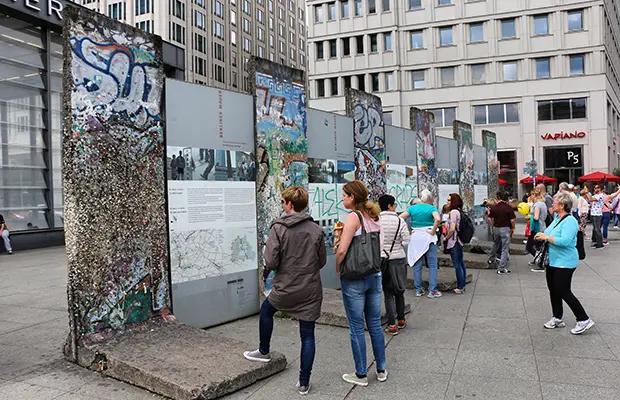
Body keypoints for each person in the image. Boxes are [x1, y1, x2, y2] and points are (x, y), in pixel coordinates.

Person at [243, 187, 326, 395]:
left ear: (289, 204)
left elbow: (271, 261)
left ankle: (263, 350)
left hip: (286, 286)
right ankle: (304, 383)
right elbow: (322, 261)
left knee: (267, 310)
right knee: (308, 334)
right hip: (310, 288)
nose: (283, 204)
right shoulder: (316, 230)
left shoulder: (278, 229)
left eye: (283, 201)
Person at [335, 180, 387, 387]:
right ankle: (381, 369)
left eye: (345, 195)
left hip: (355, 277)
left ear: (352, 198)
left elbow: (342, 250)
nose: (342, 198)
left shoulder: (353, 217)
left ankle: (361, 374)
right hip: (374, 275)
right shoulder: (373, 215)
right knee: (374, 323)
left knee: (356, 326)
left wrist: (338, 268)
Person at [534, 192, 595, 335]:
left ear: (561, 206)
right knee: (553, 290)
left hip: (565, 261)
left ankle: (583, 319)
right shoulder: (557, 218)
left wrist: (546, 237)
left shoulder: (570, 221)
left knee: (563, 290)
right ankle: (557, 317)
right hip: (553, 261)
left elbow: (565, 241)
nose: (552, 204)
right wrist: (541, 236)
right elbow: (549, 233)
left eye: (554, 202)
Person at [400, 189, 442, 298]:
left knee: (417, 264)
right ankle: (432, 290)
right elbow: (437, 219)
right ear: (429, 198)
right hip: (428, 237)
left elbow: (400, 218)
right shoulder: (432, 208)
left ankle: (418, 289)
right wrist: (433, 231)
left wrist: (408, 230)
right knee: (432, 265)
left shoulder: (413, 208)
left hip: (415, 236)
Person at [378, 195, 410, 336]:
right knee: (399, 290)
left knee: (388, 292)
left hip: (383, 260)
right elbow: (407, 240)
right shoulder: (399, 220)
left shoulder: (377, 220)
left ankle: (392, 324)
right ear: (390, 206)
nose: (395, 207)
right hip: (399, 260)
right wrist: (398, 245)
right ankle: (401, 319)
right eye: (394, 205)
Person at [582, 184, 620, 249]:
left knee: (597, 229)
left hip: (597, 214)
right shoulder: (596, 195)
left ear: (601, 189)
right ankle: (597, 242)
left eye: (597, 188)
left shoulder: (601, 196)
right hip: (593, 213)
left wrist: (586, 192)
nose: (595, 189)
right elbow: (590, 201)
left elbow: (591, 199)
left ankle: (600, 244)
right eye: (595, 187)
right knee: (595, 229)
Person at [488, 191, 516, 274]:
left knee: (495, 244)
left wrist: (493, 225)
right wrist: (513, 228)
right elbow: (512, 221)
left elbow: (490, 218)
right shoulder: (508, 208)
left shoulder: (494, 207)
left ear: (499, 197)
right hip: (505, 229)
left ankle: (491, 258)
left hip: (496, 228)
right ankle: (501, 267)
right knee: (505, 248)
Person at [445, 193, 467, 294]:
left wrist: (446, 237)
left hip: (454, 241)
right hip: (460, 241)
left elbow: (452, 228)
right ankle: (463, 284)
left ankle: (460, 286)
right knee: (461, 262)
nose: (447, 202)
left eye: (449, 200)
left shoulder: (453, 212)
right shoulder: (459, 211)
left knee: (457, 264)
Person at [528, 188, 548, 272]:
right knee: (539, 245)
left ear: (534, 195)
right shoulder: (543, 203)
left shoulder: (537, 205)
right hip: (542, 226)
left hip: (537, 228)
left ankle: (540, 261)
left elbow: (536, 217)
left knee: (531, 246)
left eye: (532, 194)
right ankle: (538, 260)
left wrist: (529, 217)